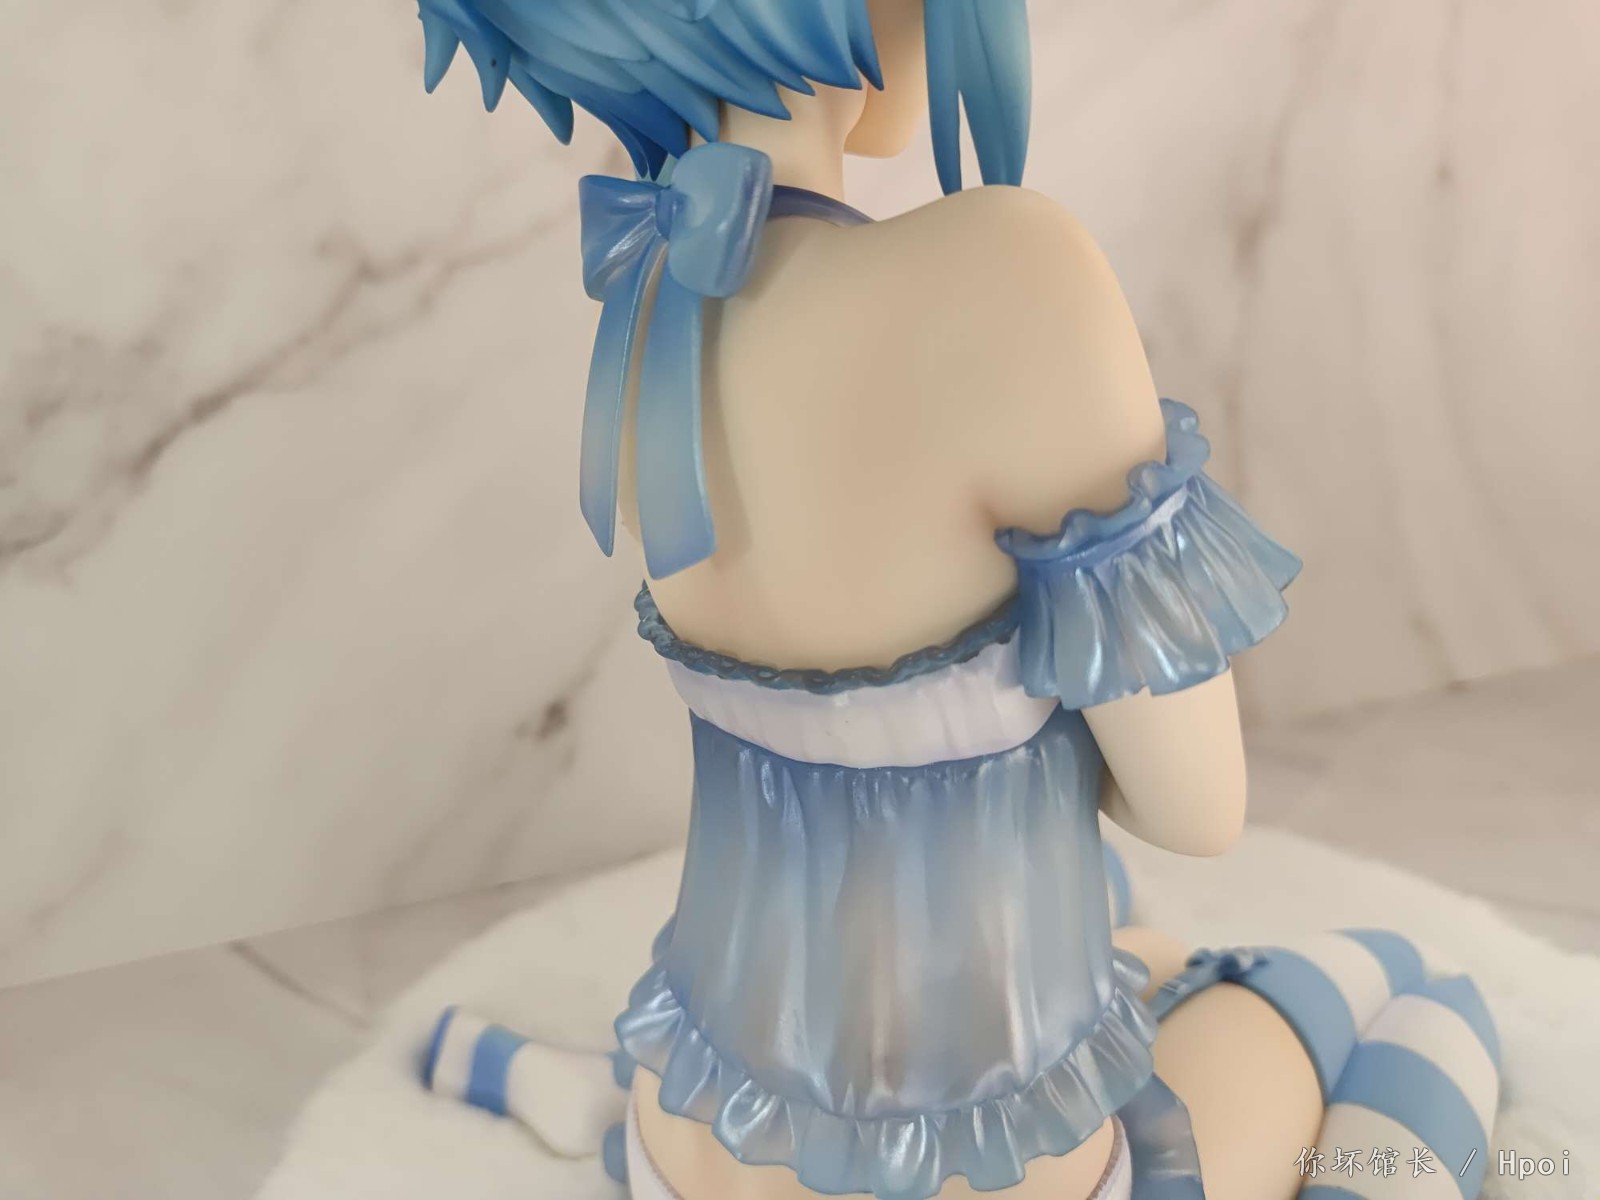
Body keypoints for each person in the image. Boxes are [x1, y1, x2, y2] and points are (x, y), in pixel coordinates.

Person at [413, 2, 1501, 1197]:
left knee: (1111, 920)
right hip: (990, 1166)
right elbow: (1196, 807)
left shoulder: (648, 299)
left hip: (695, 1128)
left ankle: (583, 1100)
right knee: (1410, 995)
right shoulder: (1007, 273)